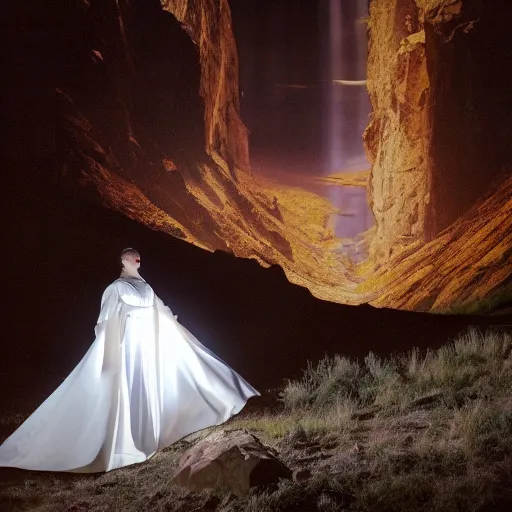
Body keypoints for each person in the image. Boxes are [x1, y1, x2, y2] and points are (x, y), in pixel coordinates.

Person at [0, 248, 259, 473]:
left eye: (137, 257)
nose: (136, 258)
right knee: (127, 389)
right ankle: (126, 442)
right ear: (122, 261)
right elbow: (105, 322)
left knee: (149, 384)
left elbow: (161, 311)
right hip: (128, 346)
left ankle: (152, 433)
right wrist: (108, 352)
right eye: (130, 256)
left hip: (146, 345)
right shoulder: (115, 289)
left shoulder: (146, 287)